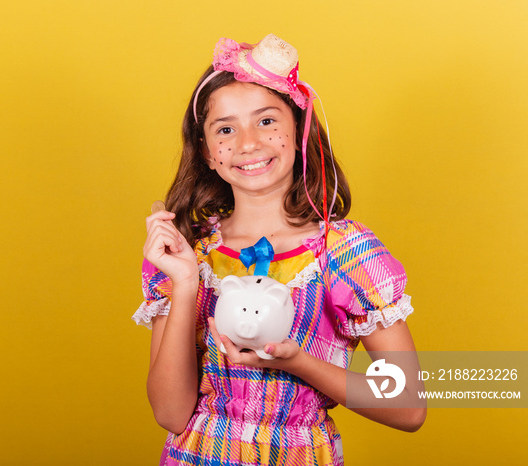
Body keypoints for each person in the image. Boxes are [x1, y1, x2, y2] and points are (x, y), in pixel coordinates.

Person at [133, 34, 425, 466]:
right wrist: (186, 283)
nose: (248, 143)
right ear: (208, 152)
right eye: (226, 129)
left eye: (266, 121)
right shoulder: (187, 253)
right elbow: (170, 413)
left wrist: (296, 362)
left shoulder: (348, 254)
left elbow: (408, 407)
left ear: (299, 130)